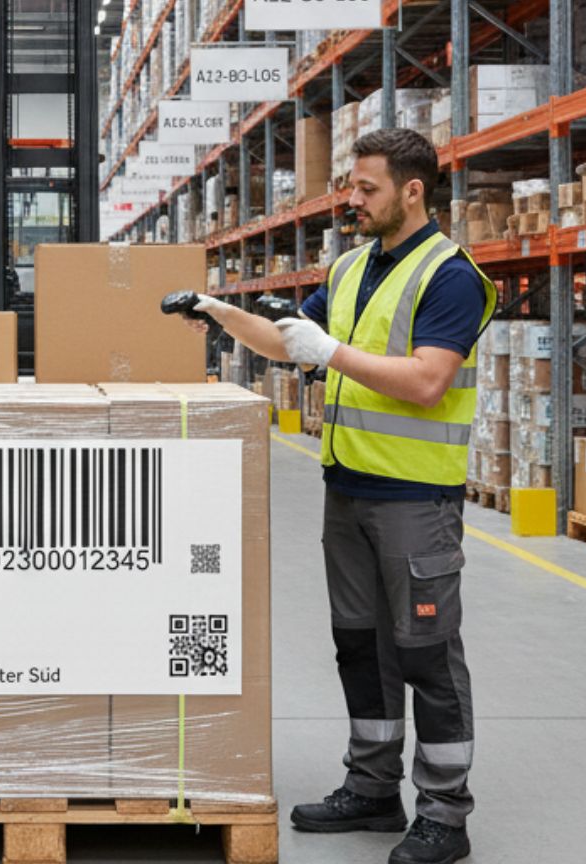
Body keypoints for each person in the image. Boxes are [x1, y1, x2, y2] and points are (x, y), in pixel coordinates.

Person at [163, 128, 495, 864]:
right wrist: (218, 311)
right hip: (346, 489)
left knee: (427, 655)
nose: (353, 199)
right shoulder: (351, 268)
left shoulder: (451, 275)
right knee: (361, 646)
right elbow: (291, 340)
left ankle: (444, 811)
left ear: (413, 190)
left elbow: (427, 380)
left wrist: (331, 353)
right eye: (352, 185)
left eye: (366, 188)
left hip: (416, 499)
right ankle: (374, 787)